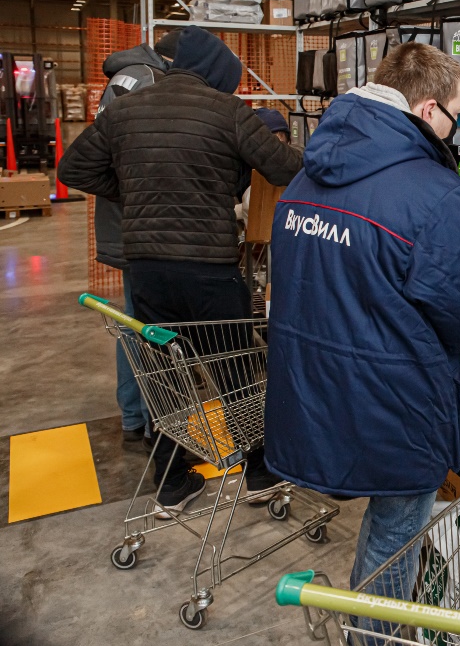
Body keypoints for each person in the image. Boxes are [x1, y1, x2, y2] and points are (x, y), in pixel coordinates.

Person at [263, 42, 460, 606]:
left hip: (311, 387)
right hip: (392, 403)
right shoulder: (433, 194)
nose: (458, 130)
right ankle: (374, 637)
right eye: (458, 115)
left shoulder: (310, 174)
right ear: (428, 111)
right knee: (395, 535)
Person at [58, 26, 303, 516]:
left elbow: (72, 170)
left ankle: (172, 483)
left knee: (164, 375)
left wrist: (134, 187)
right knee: (233, 371)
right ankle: (258, 474)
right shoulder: (228, 112)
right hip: (209, 269)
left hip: (147, 267)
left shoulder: (125, 111)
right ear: (219, 76)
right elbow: (285, 169)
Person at [93, 37, 177, 451]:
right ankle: (151, 423)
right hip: (138, 226)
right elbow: (111, 156)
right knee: (145, 324)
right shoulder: (146, 80)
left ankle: (133, 416)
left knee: (132, 322)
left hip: (127, 222)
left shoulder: (128, 77)